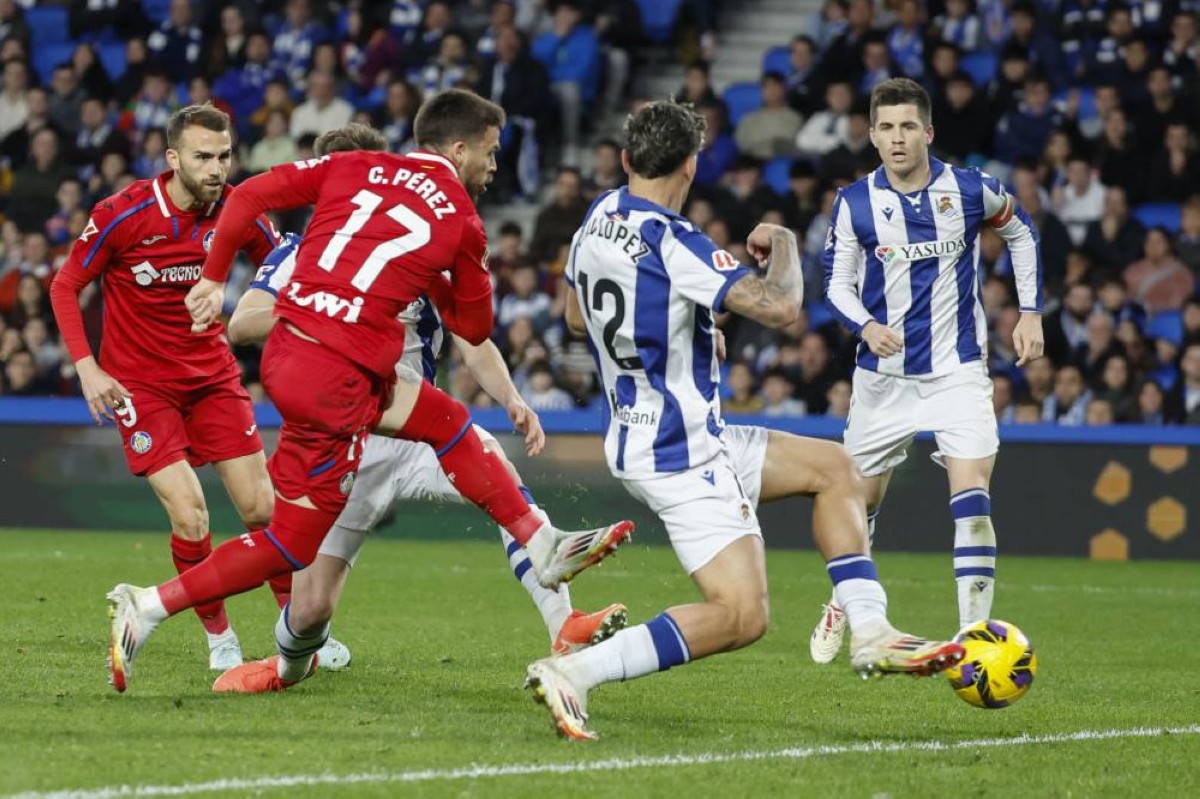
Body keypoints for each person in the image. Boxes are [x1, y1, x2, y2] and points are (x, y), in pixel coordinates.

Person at [105, 91, 632, 693]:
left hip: (353, 388)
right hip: (340, 390)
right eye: (490, 152)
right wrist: (324, 301)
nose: (494, 165)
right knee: (308, 600)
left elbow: (472, 339)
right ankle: (280, 662)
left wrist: (510, 395)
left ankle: (560, 609)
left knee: (452, 443)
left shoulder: (366, 184)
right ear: (460, 150)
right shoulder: (428, 225)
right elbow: (246, 322)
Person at [524, 100, 965, 742]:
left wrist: (682, 331)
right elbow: (782, 307)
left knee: (836, 469)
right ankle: (575, 672)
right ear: (691, 165)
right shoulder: (674, 240)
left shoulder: (598, 216)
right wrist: (783, 240)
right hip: (681, 452)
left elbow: (573, 317)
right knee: (741, 615)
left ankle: (871, 630)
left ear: (624, 160)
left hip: (650, 432)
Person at [48, 104, 290, 673]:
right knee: (191, 517)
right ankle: (219, 638)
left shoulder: (239, 208)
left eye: (224, 156)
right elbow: (65, 285)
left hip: (213, 378)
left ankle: (298, 632)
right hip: (141, 388)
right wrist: (87, 368)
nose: (216, 169)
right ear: (173, 158)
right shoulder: (122, 213)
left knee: (263, 510)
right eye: (203, 157)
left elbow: (280, 265)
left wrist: (240, 300)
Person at [812, 78, 1044, 664]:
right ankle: (843, 599)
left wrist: (1030, 311)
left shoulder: (969, 189)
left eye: (908, 126)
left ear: (928, 132)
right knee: (859, 506)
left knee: (973, 500)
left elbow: (1021, 231)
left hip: (957, 371)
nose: (898, 138)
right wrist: (866, 326)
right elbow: (835, 285)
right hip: (882, 378)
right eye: (887, 127)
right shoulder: (854, 203)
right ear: (872, 135)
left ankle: (975, 640)